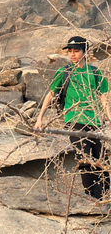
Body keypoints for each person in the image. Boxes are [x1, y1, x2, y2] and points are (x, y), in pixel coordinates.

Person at [35, 36, 111, 199]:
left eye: (76, 51)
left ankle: (106, 195)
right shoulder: (64, 72)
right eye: (70, 51)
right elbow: (50, 94)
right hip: (74, 120)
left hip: (95, 121)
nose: (72, 54)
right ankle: (93, 197)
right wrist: (39, 118)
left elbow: (103, 97)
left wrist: (109, 119)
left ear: (85, 52)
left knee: (101, 159)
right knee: (85, 158)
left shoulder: (95, 73)